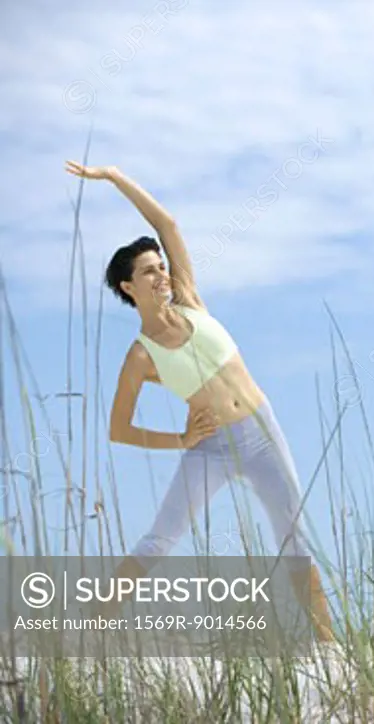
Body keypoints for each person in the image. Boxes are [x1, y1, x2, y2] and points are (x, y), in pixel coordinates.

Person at [64, 160, 335, 645]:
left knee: (294, 540)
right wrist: (181, 440)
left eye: (161, 266)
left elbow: (166, 225)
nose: (161, 274)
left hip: (261, 433)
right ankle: (88, 631)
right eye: (149, 271)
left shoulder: (188, 295)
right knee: (160, 539)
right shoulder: (140, 357)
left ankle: (330, 647)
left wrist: (114, 177)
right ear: (129, 287)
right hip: (209, 448)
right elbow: (118, 430)